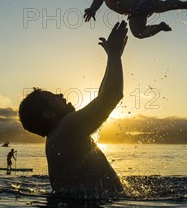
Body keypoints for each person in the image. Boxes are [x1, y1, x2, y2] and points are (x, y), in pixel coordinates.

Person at [18, 21, 128, 197]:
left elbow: (102, 98)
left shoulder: (61, 135)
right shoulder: (67, 128)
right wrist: (114, 56)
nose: (60, 96)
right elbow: (112, 96)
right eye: (53, 97)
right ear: (48, 113)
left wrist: (112, 58)